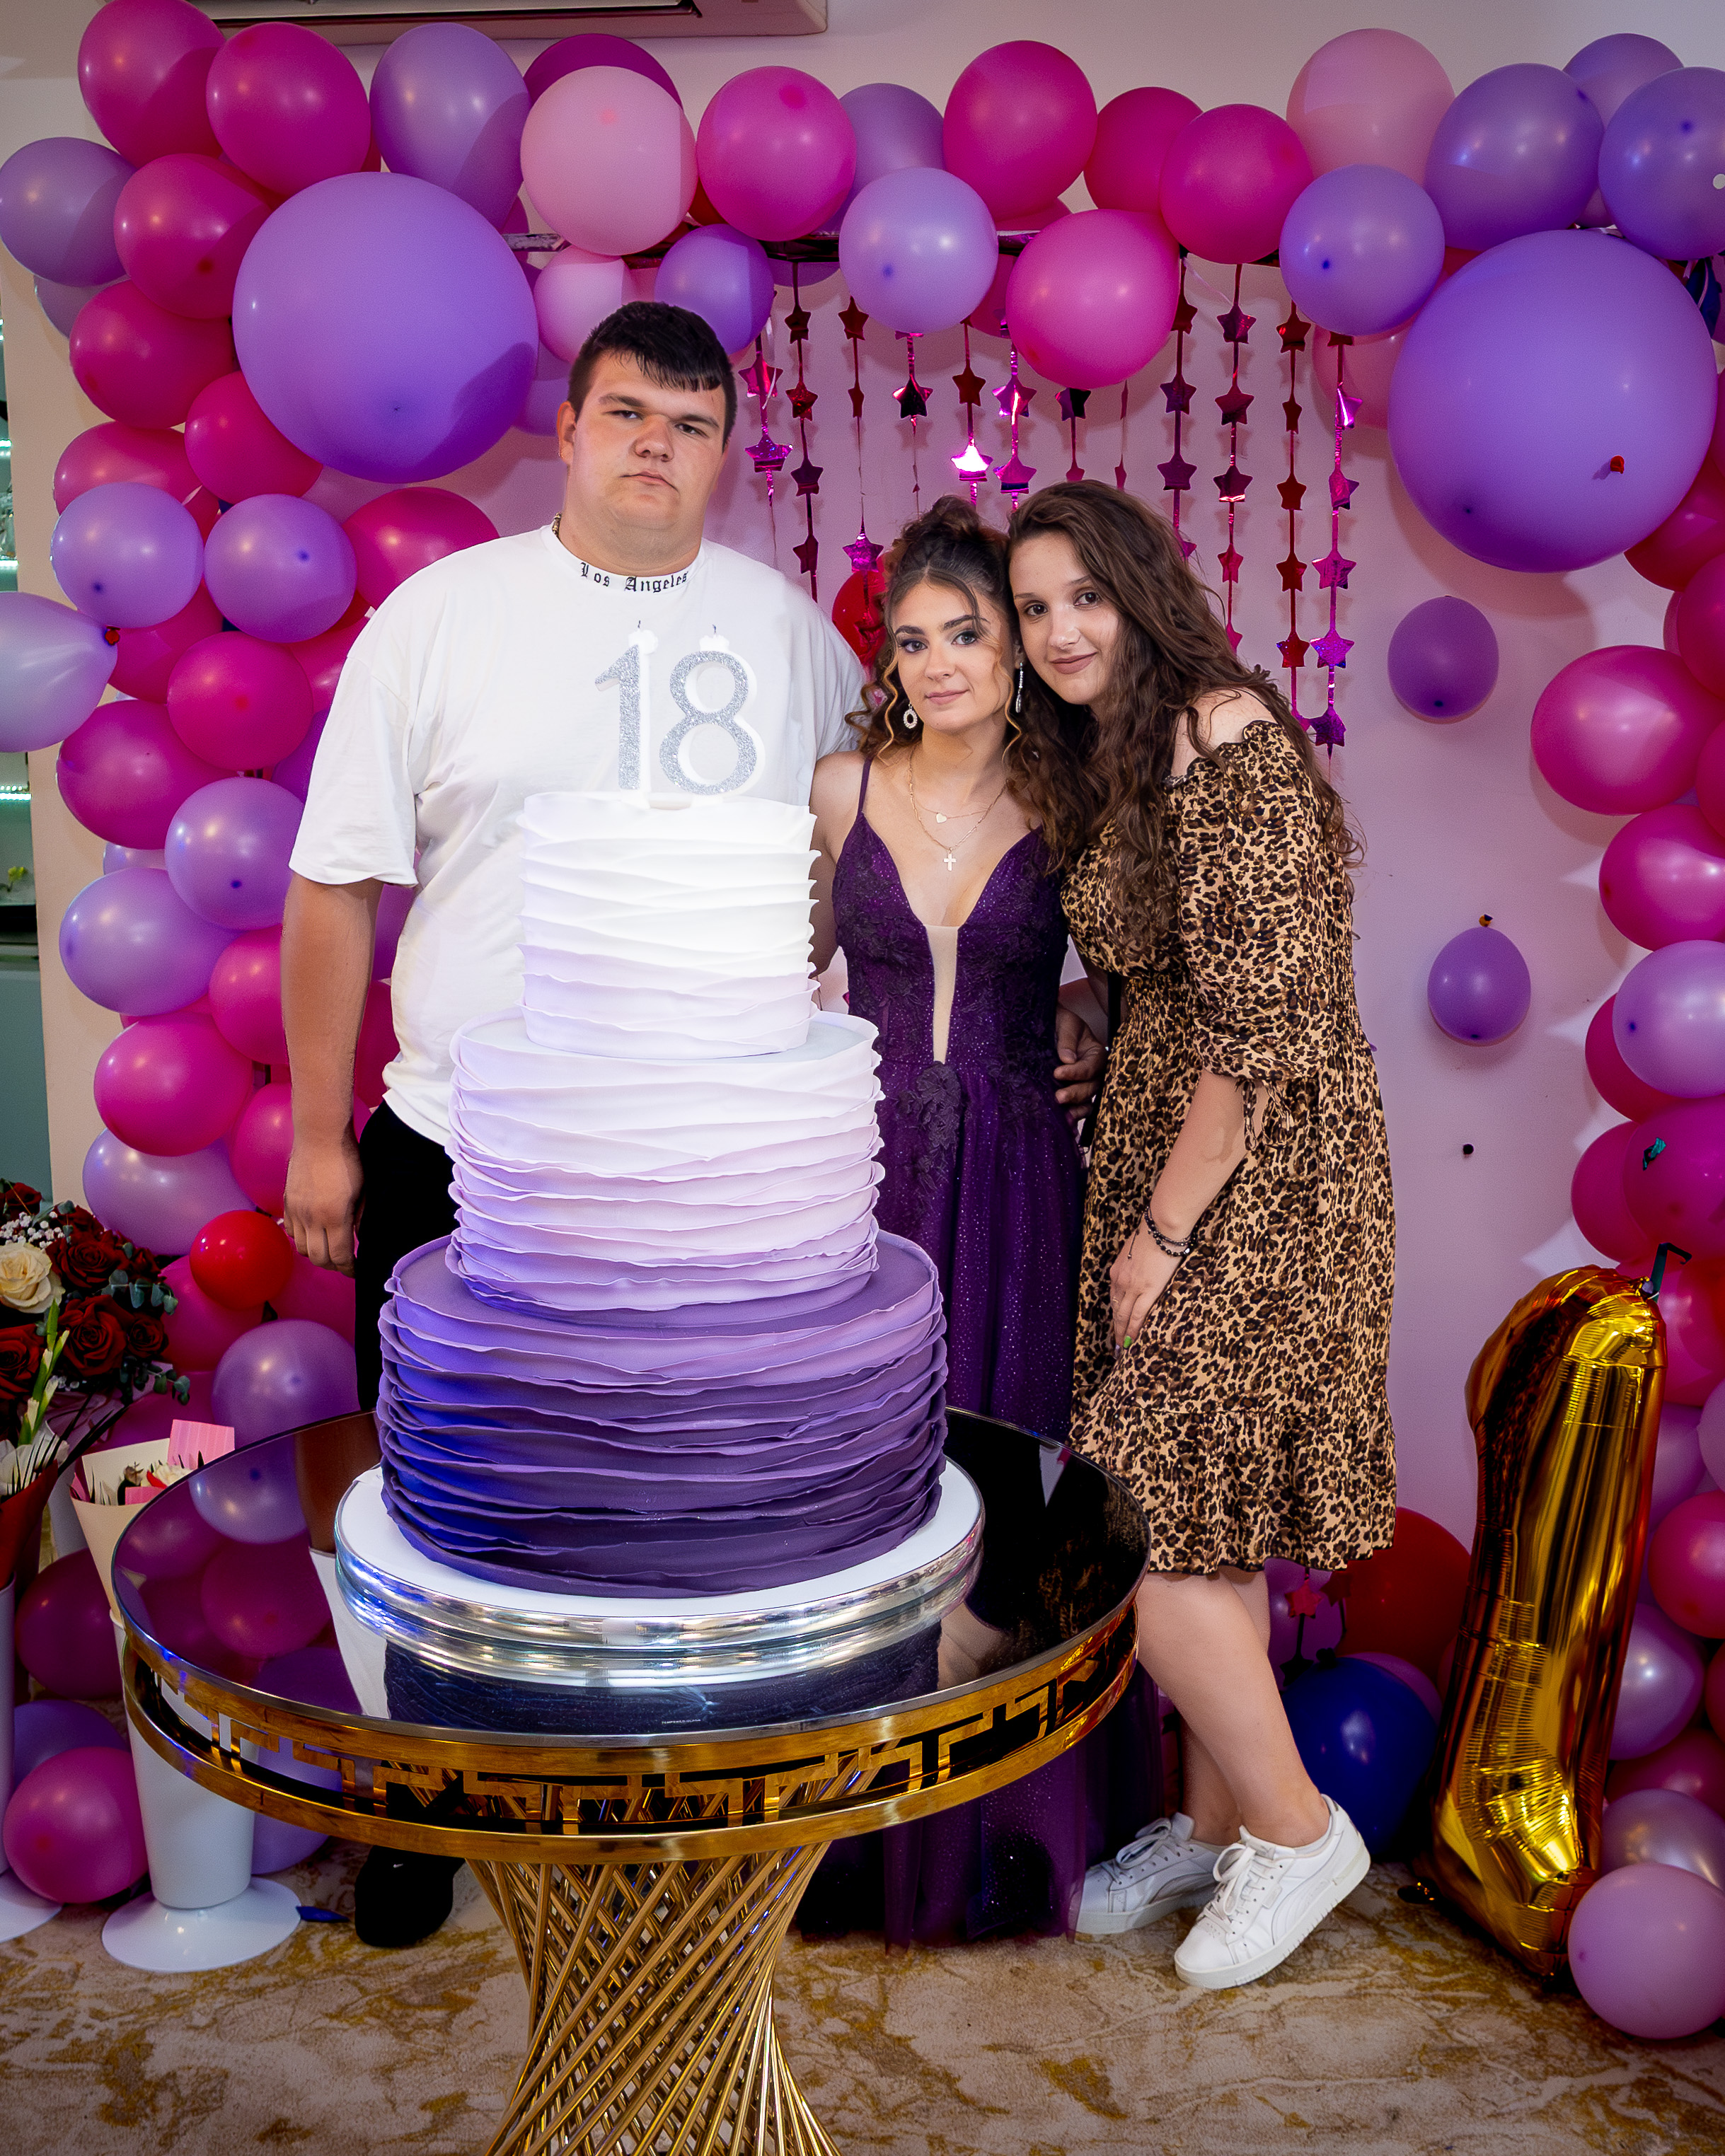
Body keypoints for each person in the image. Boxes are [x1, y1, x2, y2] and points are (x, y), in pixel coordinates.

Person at [280, 300, 861, 1945]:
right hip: (466, 1142)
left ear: (725, 452)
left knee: (683, 1498)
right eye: (626, 414)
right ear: (570, 429)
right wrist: (319, 1136)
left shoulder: (789, 637)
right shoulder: (441, 618)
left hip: (700, 1169)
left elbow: (877, 867)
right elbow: (333, 885)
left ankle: (678, 1803)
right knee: (441, 1492)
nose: (655, 447)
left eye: (689, 424)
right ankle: (427, 1809)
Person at [1008, 481, 1395, 1990]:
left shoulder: (1225, 734)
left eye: (1082, 597)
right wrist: (1099, 1022)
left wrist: (1162, 1232)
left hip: (1259, 1171)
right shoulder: (1117, 751)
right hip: (1172, 1132)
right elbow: (1182, 967)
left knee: (1139, 1511)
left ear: (1141, 592)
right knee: (1204, 1504)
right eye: (1032, 609)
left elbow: (1263, 1024)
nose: (1057, 632)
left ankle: (1298, 1834)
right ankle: (1209, 1824)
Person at [798, 499, 1160, 1947]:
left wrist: (1091, 1017)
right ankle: (854, 1836)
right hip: (865, 1177)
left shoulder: (1074, 796)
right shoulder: (841, 787)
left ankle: (983, 1834)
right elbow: (778, 981)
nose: (939, 662)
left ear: (1014, 650)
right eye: (913, 640)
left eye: (967, 633)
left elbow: (1145, 982)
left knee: (1002, 1498)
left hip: (1017, 1175)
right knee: (866, 1494)